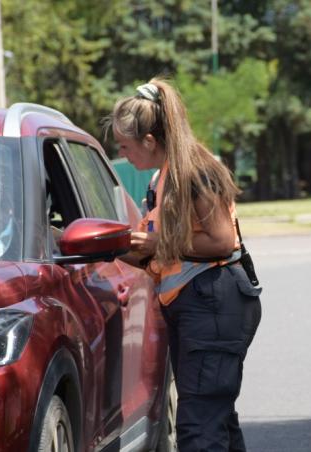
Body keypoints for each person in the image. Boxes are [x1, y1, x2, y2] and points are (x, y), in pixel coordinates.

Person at [108, 78, 262, 452]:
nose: (124, 155)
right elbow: (150, 250)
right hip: (199, 306)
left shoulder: (194, 170)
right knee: (216, 423)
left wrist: (161, 242)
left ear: (149, 141)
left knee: (199, 431)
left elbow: (222, 240)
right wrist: (100, 244)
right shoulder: (162, 179)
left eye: (126, 147)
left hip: (214, 303)